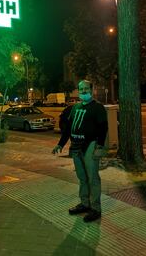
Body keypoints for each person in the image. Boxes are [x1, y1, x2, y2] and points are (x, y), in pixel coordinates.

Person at [52, 80, 108, 222]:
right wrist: (60, 145)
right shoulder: (75, 108)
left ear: (92, 89)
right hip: (76, 147)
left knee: (93, 178)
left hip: (90, 145)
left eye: (86, 88)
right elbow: (68, 129)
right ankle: (85, 204)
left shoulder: (98, 108)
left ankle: (95, 209)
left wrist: (100, 147)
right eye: (81, 89)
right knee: (82, 178)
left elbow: (103, 128)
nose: (83, 91)